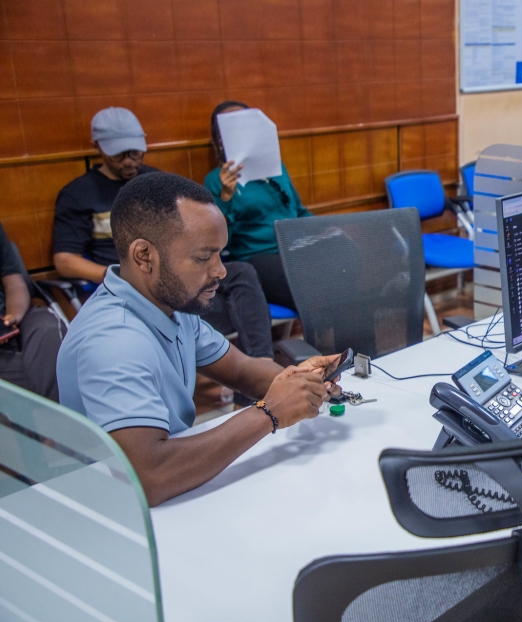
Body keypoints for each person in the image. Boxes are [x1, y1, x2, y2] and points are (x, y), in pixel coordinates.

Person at [57, 172, 343, 506]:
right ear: (144, 256)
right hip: (123, 515)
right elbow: (149, 477)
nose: (221, 270)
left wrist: (302, 380)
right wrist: (270, 413)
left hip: (177, 489)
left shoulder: (167, 305)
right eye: (203, 257)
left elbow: (241, 370)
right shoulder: (113, 341)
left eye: (220, 254)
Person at [52, 108, 275, 365]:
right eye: (118, 155)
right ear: (98, 148)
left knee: (240, 274)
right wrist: (116, 274)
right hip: (136, 283)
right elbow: (65, 259)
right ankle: (252, 376)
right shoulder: (79, 194)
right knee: (231, 309)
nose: (128, 161)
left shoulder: (157, 183)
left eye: (135, 152)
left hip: (176, 267)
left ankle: (262, 362)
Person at [203, 101, 313, 310]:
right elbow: (218, 239)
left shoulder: (277, 168)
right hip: (258, 255)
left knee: (341, 260)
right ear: (220, 139)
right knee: (307, 288)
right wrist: (226, 197)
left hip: (296, 245)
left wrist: (327, 227)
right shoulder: (215, 180)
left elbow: (299, 211)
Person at [0, 223, 65, 401]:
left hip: (9, 315)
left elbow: (14, 283)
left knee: (48, 328)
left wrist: (13, 316)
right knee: (33, 373)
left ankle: (63, 422)